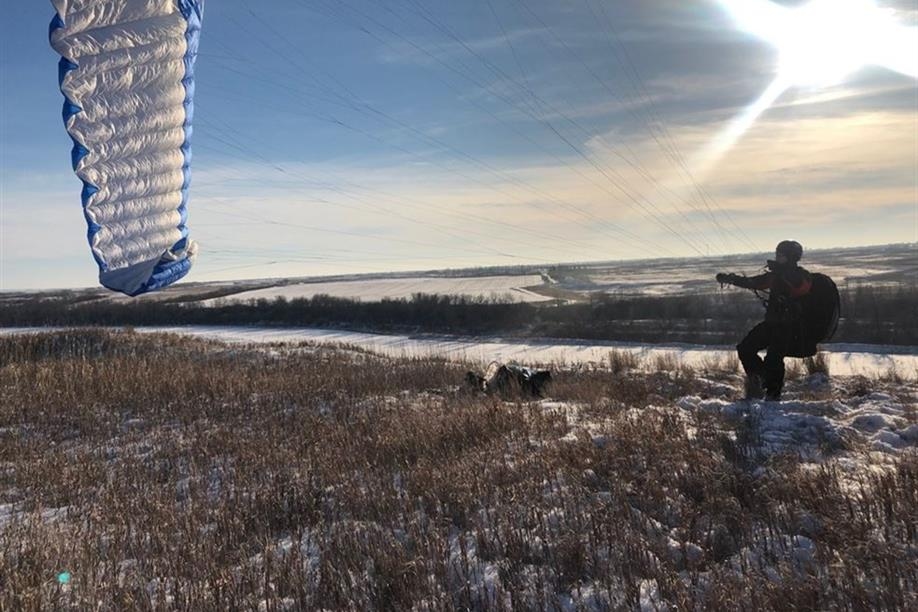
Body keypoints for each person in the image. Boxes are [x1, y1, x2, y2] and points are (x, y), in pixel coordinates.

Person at [716, 240, 812, 400]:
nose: (777, 257)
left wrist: (781, 274)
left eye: (780, 255)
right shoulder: (776, 275)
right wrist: (731, 279)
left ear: (791, 257)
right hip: (771, 323)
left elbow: (800, 287)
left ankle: (773, 396)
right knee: (745, 348)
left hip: (790, 327)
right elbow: (754, 282)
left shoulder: (801, 276)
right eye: (777, 254)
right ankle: (760, 381)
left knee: (774, 358)